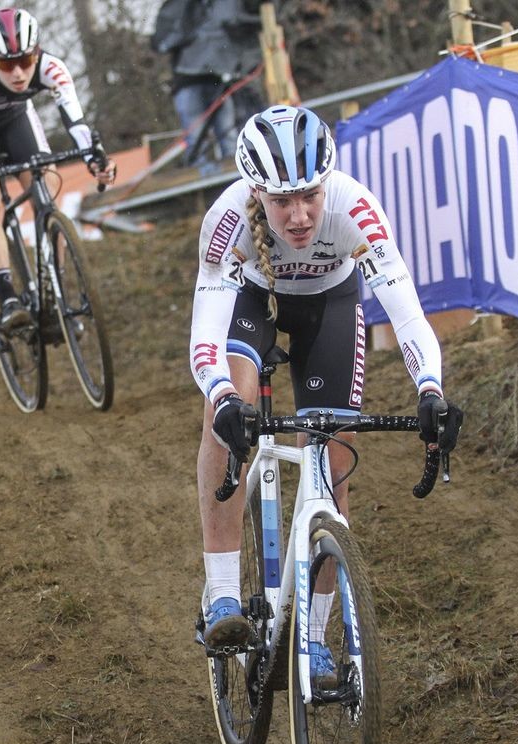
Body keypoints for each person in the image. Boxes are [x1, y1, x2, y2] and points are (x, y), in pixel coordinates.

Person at [189, 105, 462, 681]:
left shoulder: (355, 207)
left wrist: (431, 388)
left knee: (333, 464)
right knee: (225, 410)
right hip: (251, 304)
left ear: (327, 183)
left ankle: (310, 640)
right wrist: (222, 397)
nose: (299, 215)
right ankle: (221, 597)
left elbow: (407, 312)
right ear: (256, 192)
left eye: (309, 195)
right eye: (281, 200)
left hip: (331, 307)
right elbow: (205, 338)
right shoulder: (227, 221)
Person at [0, 7, 116, 328]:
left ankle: (56, 293)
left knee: (46, 187)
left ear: (36, 55)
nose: (18, 73)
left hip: (14, 118)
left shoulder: (52, 68)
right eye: (7, 64)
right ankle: (6, 296)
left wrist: (96, 161)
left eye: (25, 61)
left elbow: (76, 122)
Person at [151, 0, 264, 169]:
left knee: (227, 132)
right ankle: (201, 172)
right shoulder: (180, 7)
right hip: (189, 81)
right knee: (197, 135)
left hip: (219, 79)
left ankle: (237, 169)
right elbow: (163, 40)